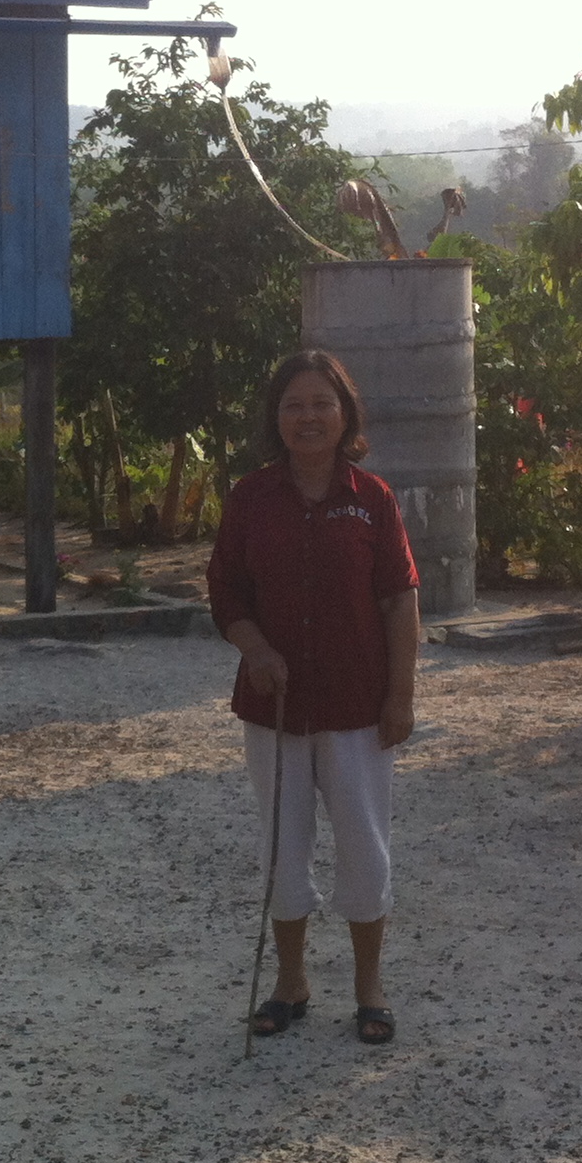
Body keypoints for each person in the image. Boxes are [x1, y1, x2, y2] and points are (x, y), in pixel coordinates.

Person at [206, 350, 421, 1046]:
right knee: (282, 847)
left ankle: (369, 989)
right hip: (273, 708)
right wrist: (256, 649)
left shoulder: (373, 498)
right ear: (276, 417)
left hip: (358, 706)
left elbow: (400, 600)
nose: (308, 417)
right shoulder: (249, 499)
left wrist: (400, 697)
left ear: (345, 414)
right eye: (294, 405)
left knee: (364, 845)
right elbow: (226, 593)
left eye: (322, 404)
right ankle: (290, 983)